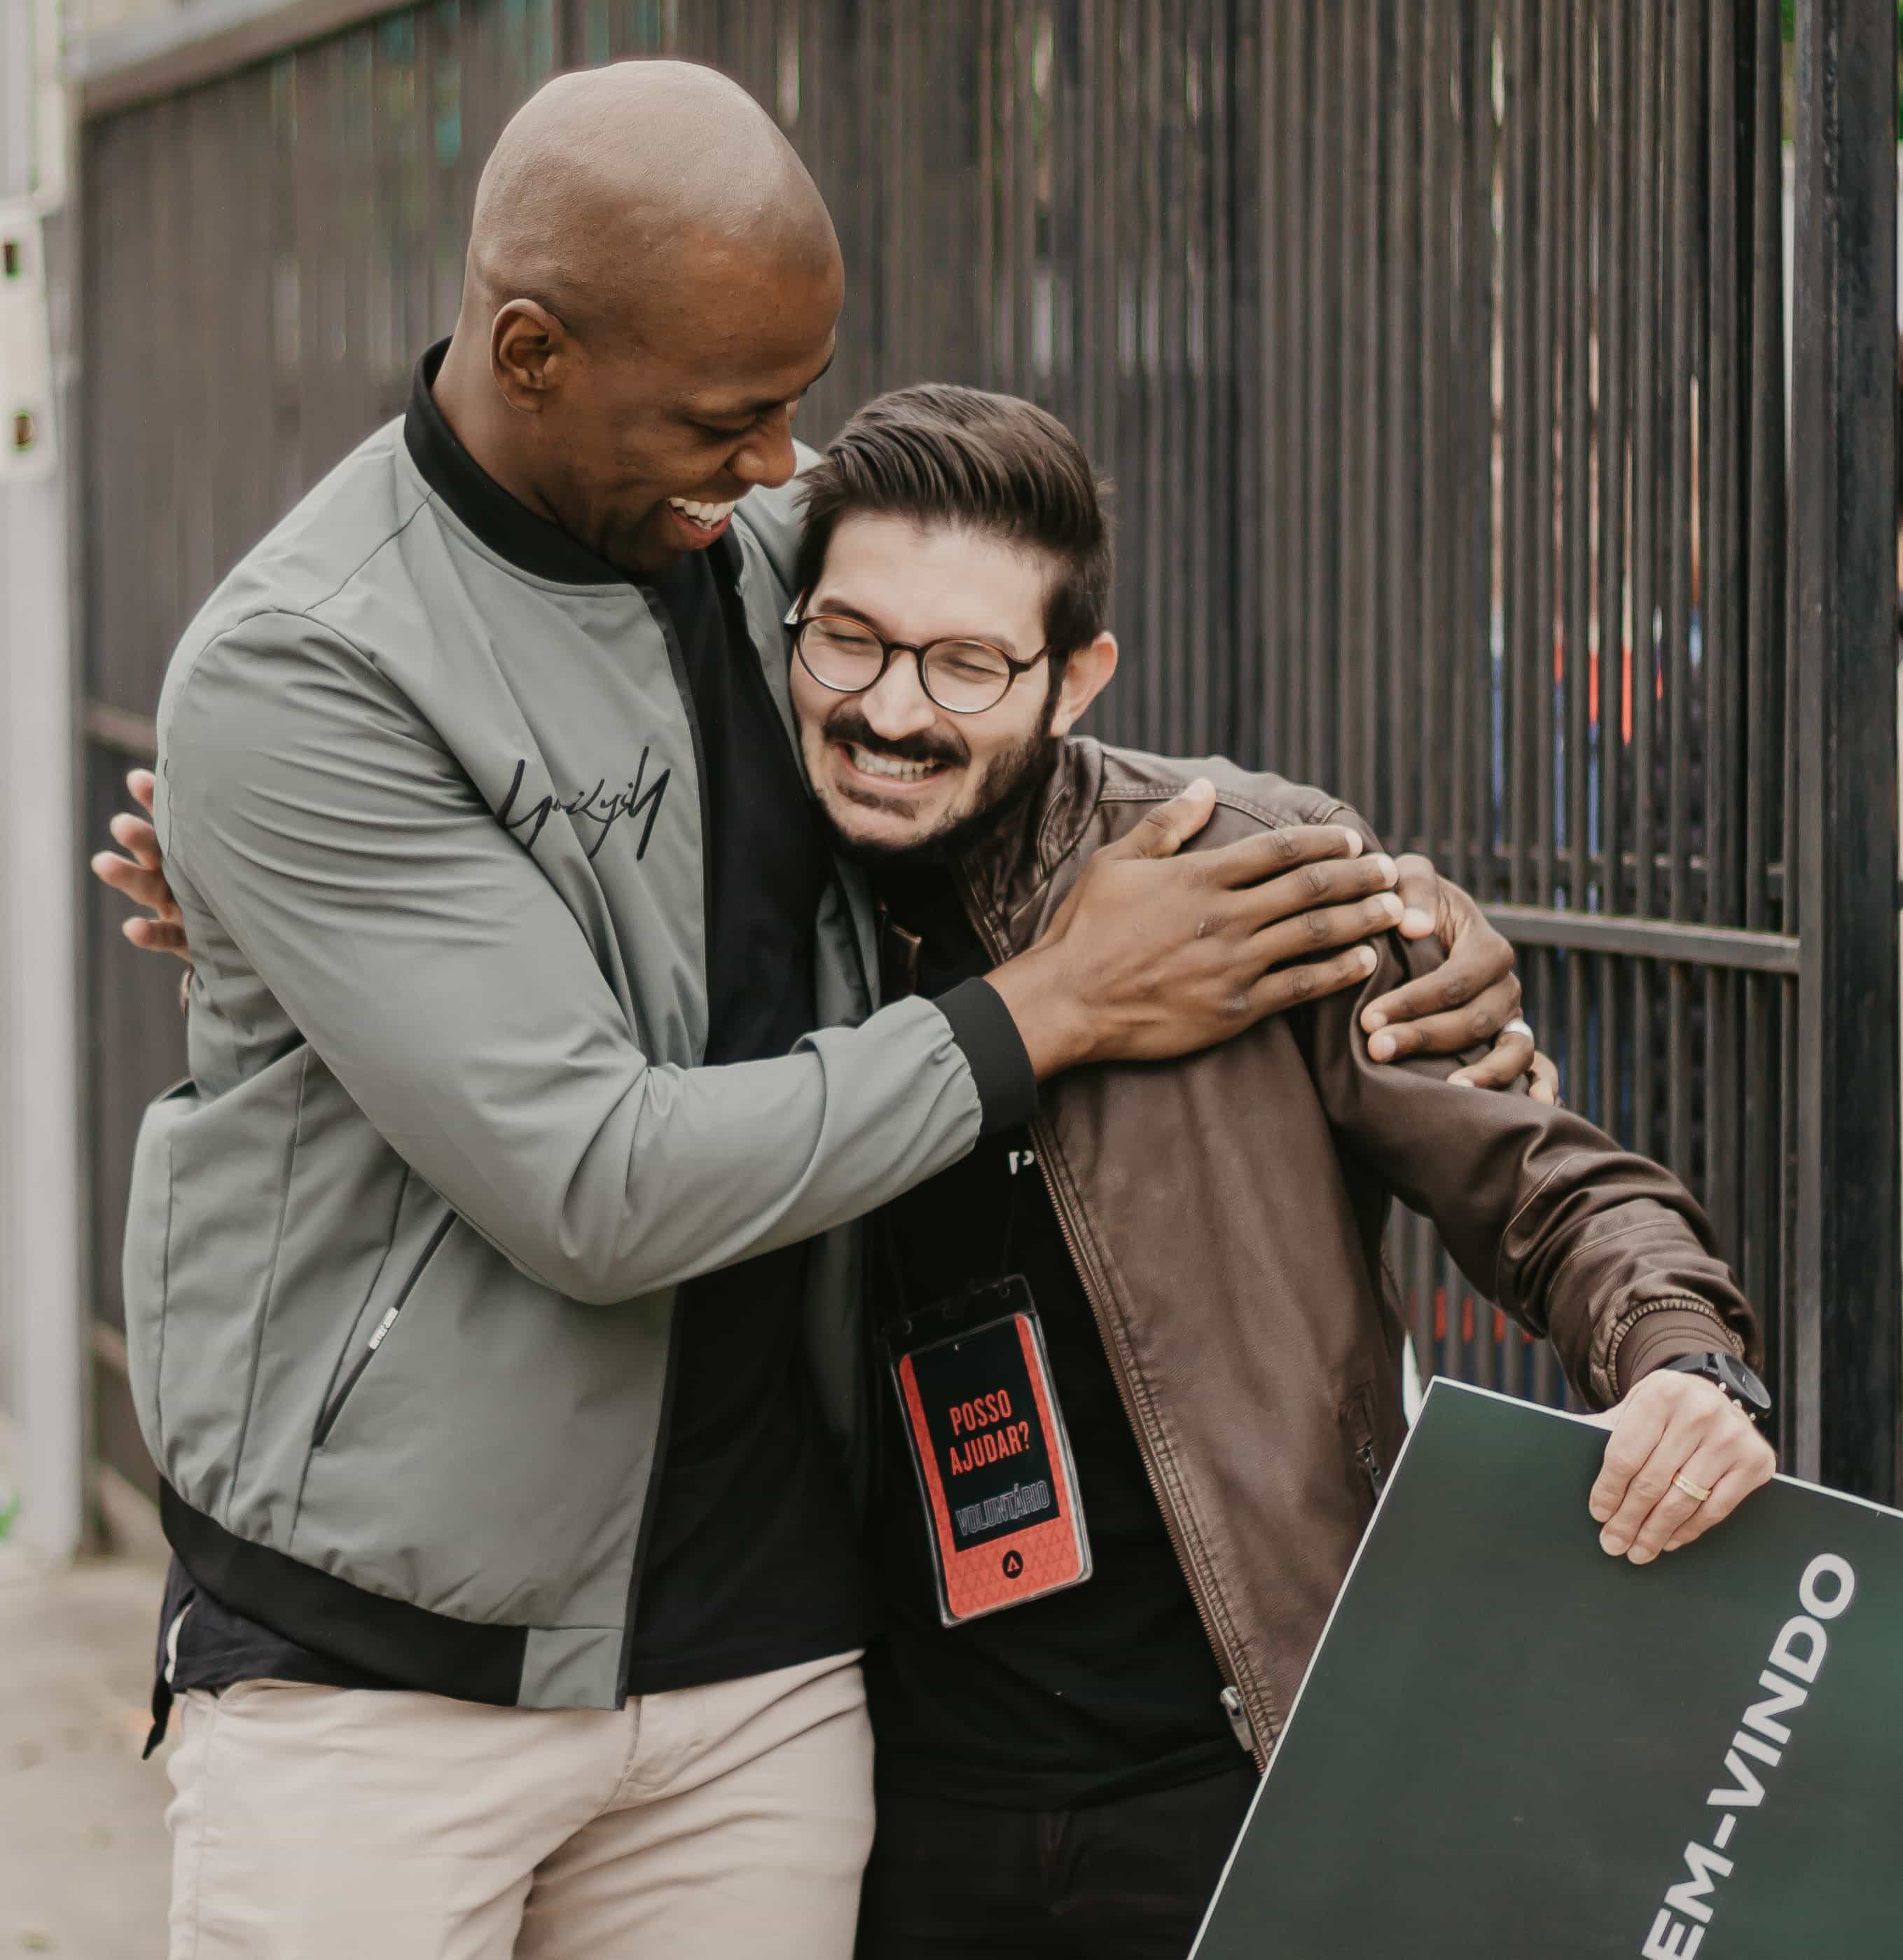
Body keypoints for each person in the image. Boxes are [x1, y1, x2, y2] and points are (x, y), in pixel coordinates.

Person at [88, 60, 1546, 1960]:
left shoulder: (757, 560)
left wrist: (1375, 906)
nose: (782, 463)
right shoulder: (311, 664)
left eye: (792, 402)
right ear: (528, 350)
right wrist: (1051, 1004)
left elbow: (1004, 753)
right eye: (728, 416)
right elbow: (594, 1180)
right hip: (386, 1675)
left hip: (764, 1670)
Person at [724, 385, 1766, 1960]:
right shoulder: (734, 914)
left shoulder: (1252, 871)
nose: (889, 709)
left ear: (1077, 679)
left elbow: (1553, 1189)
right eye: (849, 641)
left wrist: (1685, 1363)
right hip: (878, 1793)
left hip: (1247, 1762)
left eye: (967, 664)